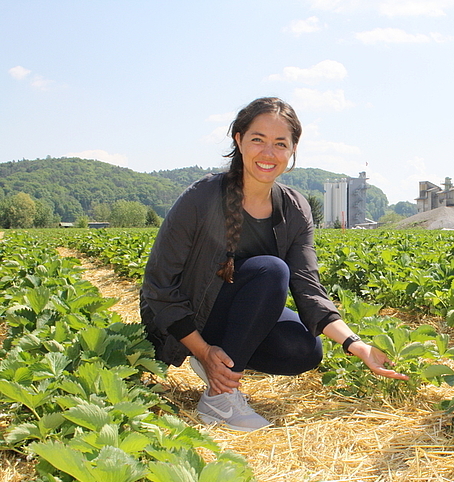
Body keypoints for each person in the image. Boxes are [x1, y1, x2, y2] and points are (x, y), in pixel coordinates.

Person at [140, 97, 408, 432]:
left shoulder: (294, 208)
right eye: (258, 140)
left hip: (236, 314)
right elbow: (159, 287)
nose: (268, 153)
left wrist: (357, 345)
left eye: (280, 144)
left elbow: (308, 287)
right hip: (186, 316)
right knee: (270, 270)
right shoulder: (202, 197)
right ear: (238, 140)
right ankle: (220, 394)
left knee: (305, 349)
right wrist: (203, 350)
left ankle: (222, 362)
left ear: (293, 149)